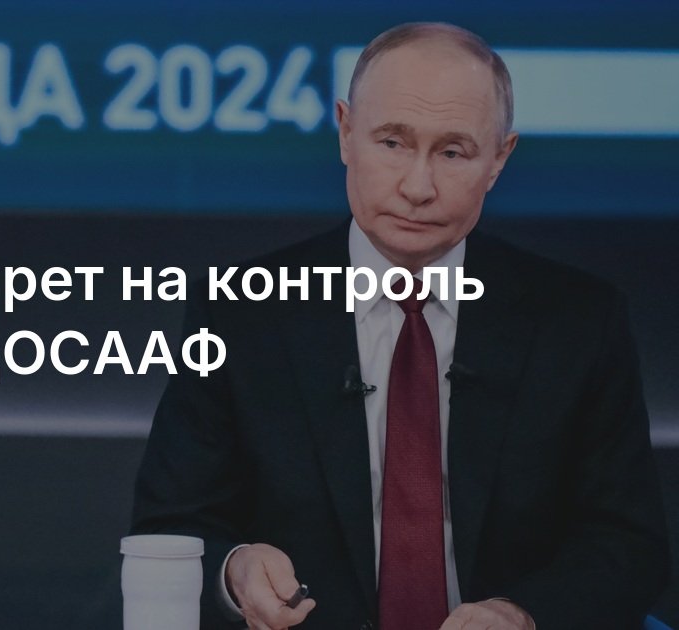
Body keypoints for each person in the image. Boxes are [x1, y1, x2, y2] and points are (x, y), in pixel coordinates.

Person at [130, 22, 669, 630]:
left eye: (453, 152)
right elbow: (171, 526)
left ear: (499, 159)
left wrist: (521, 615)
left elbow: (628, 544)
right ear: (345, 132)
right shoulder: (240, 310)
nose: (417, 187)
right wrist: (235, 569)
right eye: (392, 142)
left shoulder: (579, 321)